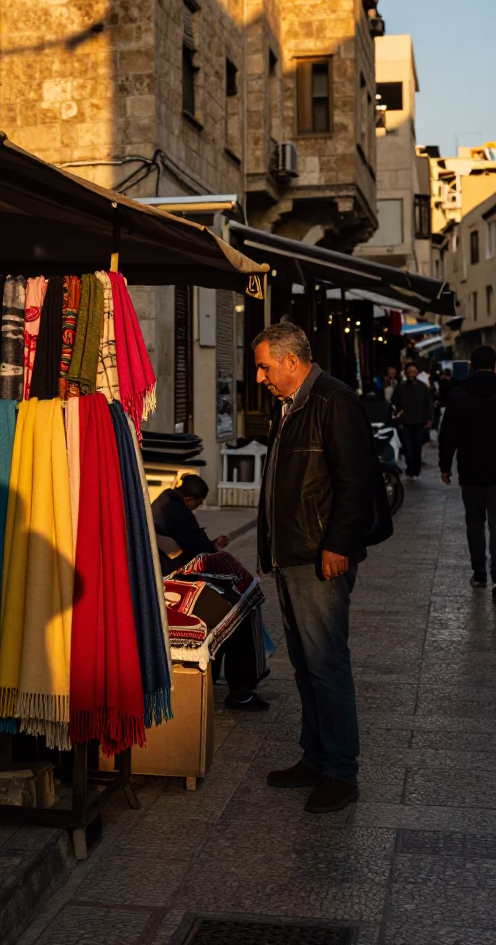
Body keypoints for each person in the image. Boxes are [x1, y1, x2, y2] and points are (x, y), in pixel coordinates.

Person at [252, 322, 391, 814]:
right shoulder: (292, 405)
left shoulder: (333, 400)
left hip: (318, 556)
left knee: (326, 664)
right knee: (306, 664)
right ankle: (315, 756)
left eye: (265, 367)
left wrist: (337, 545)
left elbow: (356, 482)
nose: (260, 378)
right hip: (292, 553)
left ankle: (340, 772)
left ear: (291, 361)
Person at [152, 475, 269, 712]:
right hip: (175, 584)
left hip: (167, 580)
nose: (198, 506)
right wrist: (212, 547)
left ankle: (216, 678)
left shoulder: (163, 501)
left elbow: (191, 545)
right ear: (189, 499)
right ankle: (241, 692)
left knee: (228, 608)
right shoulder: (179, 513)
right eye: (198, 502)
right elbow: (199, 552)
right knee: (238, 613)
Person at [438, 345, 496, 592]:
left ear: (471, 366)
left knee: (474, 523)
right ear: (494, 366)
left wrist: (445, 465)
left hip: (470, 470)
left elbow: (448, 434)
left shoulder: (458, 394)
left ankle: (479, 572)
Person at [391, 361, 433, 478]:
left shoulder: (423, 388)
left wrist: (429, 420)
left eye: (413, 372)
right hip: (405, 423)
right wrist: (398, 420)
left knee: (417, 447)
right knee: (408, 448)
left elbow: (429, 405)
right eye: (409, 372)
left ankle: (416, 469)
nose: (411, 374)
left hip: (420, 422)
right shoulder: (400, 388)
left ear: (417, 373)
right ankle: (410, 469)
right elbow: (395, 406)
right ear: (405, 373)